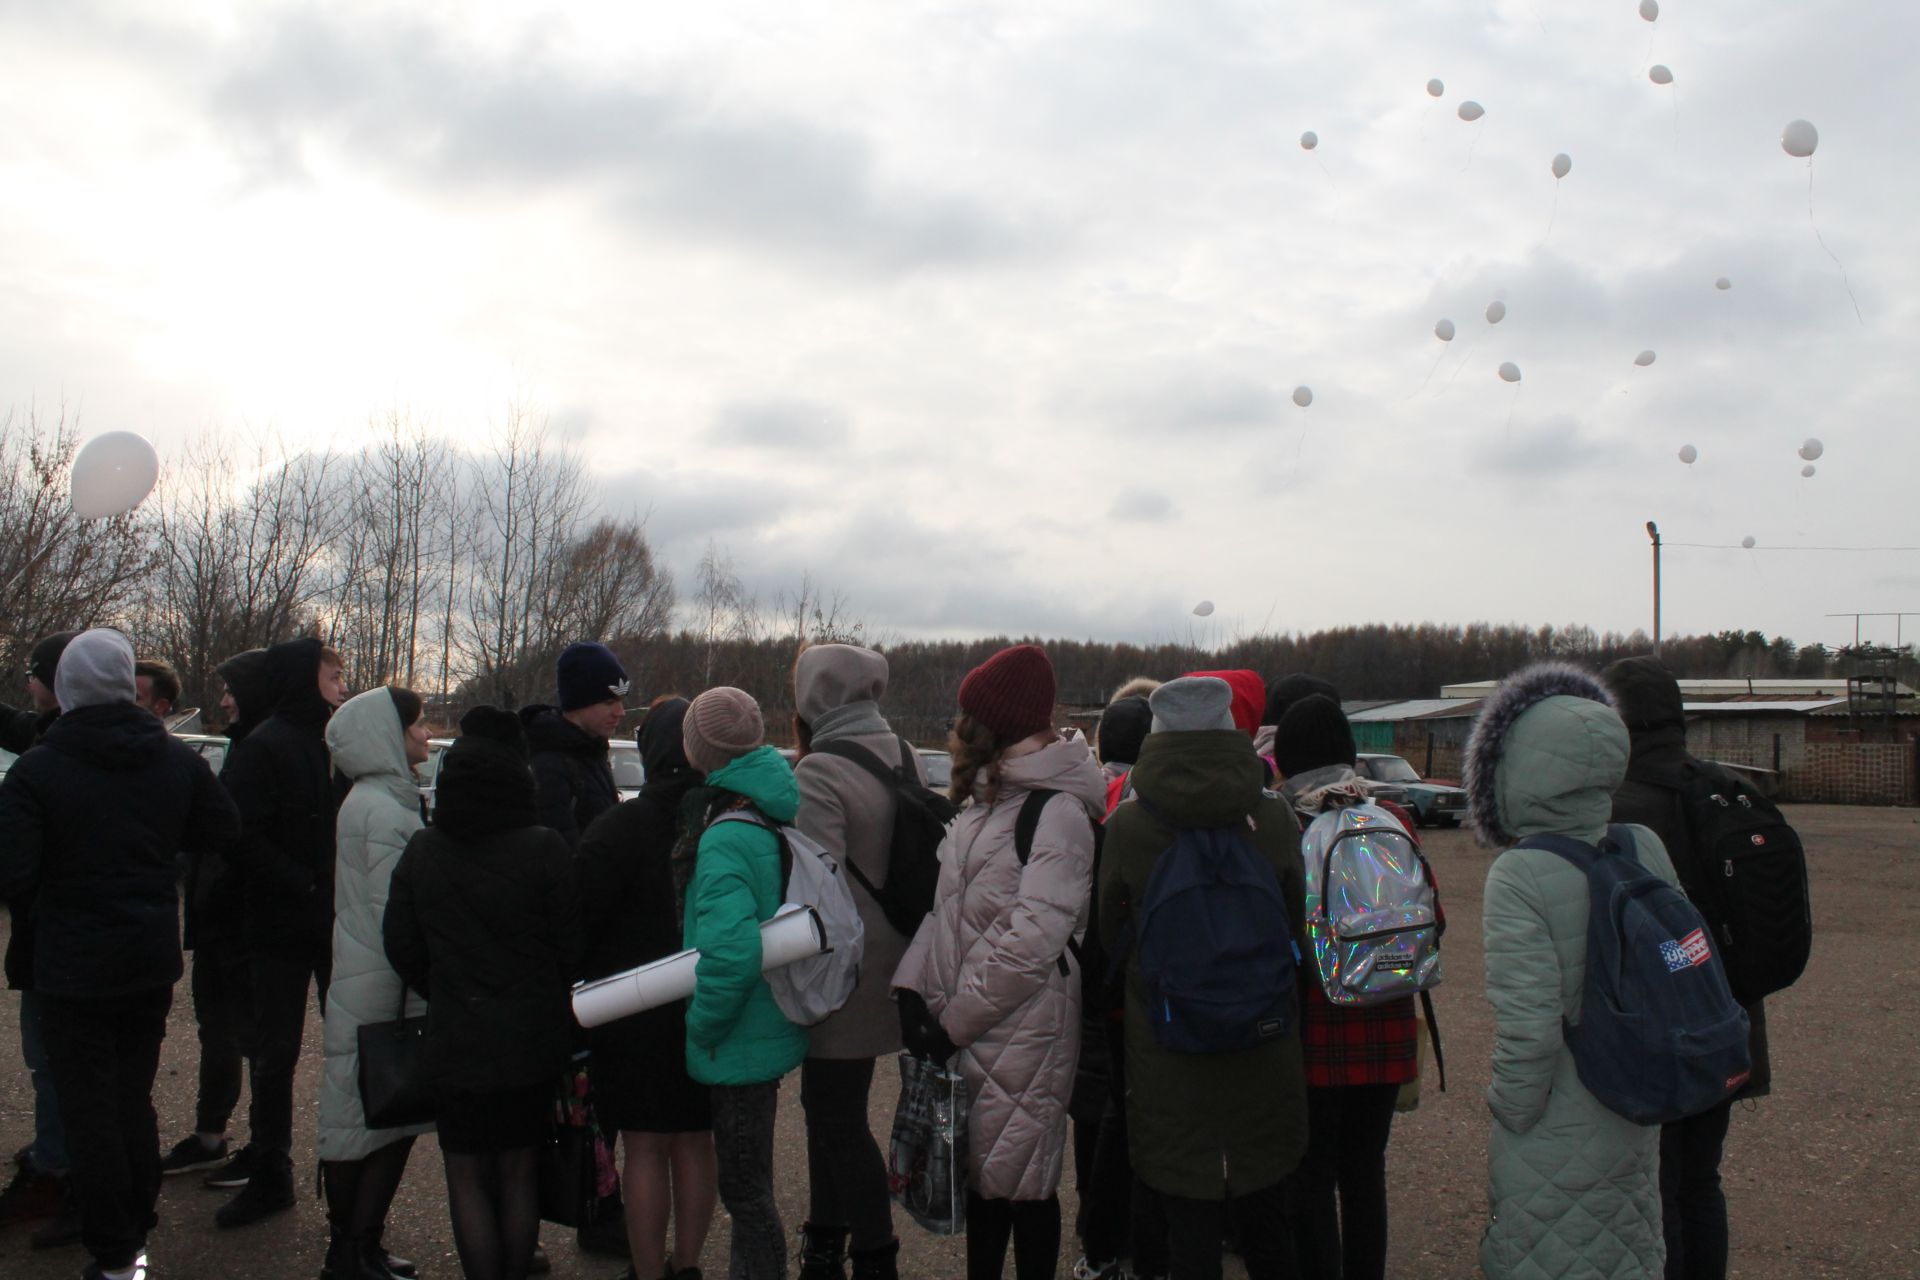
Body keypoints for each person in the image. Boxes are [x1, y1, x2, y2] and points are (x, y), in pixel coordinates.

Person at [0, 628, 241, 1280]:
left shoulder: (40, 769)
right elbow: (221, 828)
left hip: (71, 965)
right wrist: (156, 853)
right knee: (132, 1099)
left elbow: (13, 873)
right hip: (146, 957)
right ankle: (135, 1224)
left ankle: (115, 1249)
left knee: (87, 1109)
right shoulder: (173, 761)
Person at [893, 643, 1102, 1280]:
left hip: (1025, 1029)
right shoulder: (988, 804)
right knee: (984, 1188)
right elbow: (946, 911)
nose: (959, 729)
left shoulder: (1057, 813)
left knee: (1025, 1188)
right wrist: (910, 990)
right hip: (971, 1024)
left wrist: (950, 1023)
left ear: (996, 723)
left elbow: (1032, 942)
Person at [1465, 663, 1678, 1279]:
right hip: (1635, 1103)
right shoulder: (1642, 845)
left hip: (1558, 1115)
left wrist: (1511, 1108)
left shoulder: (1520, 873)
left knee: (1552, 1256)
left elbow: (1531, 1027)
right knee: (1626, 1249)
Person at [1098, 676, 1308, 1280]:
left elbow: (1112, 936)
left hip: (1168, 1044)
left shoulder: (1129, 826)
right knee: (1267, 1219)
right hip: (1263, 1036)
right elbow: (1294, 922)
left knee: (1186, 1225)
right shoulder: (1273, 819)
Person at [385, 707, 583, 1280]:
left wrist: (445, 985)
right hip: (530, 1039)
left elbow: (400, 942)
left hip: (455, 1037)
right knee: (519, 1168)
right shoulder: (545, 848)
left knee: (466, 1173)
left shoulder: (425, 850)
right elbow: (572, 945)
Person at [1603, 656, 1771, 1280]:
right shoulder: (1731, 789)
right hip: (1731, 1021)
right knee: (1701, 1180)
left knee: (1658, 1183)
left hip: (1656, 1033)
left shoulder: (1618, 809)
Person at [1273, 694, 1422, 1280]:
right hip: (1387, 1019)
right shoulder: (1393, 819)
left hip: (1316, 1023)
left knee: (1312, 1176)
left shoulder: (1288, 824)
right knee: (1366, 1172)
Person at [789, 644, 925, 1280]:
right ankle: (824, 1240)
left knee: (837, 1120)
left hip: (843, 976)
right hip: (899, 962)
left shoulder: (819, 771)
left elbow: (819, 891)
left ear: (813, 695)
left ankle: (873, 1256)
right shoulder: (903, 755)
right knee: (834, 1113)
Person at [576, 696, 717, 1280]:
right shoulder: (724, 824)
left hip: (632, 1010)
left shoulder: (619, 827)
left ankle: (647, 1270)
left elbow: (577, 916)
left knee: (644, 1144)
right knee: (695, 1141)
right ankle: (687, 1265)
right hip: (708, 1005)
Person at [213, 636, 350, 1227]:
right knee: (275, 1056)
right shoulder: (266, 746)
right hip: (278, 927)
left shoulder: (338, 745)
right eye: (333, 678)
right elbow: (239, 836)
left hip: (337, 927)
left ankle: (351, 1185)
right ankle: (270, 1172)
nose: (343, 688)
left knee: (350, 1050)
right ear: (302, 680)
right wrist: (306, 883)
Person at [678, 686, 809, 1280]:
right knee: (751, 1185)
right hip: (765, 1024)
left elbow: (731, 954)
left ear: (699, 750)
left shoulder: (726, 831)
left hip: (736, 1038)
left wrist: (701, 1026)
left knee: (747, 1194)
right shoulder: (766, 806)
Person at [317, 687, 436, 1280]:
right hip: (384, 987)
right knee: (375, 1121)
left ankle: (359, 1246)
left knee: (368, 1120)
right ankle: (351, 1251)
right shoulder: (384, 811)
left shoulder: (376, 801)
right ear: (389, 735)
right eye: (416, 725)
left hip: (369, 980)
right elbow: (401, 914)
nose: (427, 734)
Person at [161, 648, 272, 1180]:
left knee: (247, 1037)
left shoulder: (262, 754)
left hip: (239, 923)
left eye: (232, 689)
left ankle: (260, 1147)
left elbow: (242, 843)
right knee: (217, 1032)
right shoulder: (243, 748)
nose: (224, 700)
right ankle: (212, 1133)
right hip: (217, 919)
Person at [0, 629, 80, 1247]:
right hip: (83, 941)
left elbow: (16, 867)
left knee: (54, 1061)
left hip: (57, 940)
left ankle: (59, 1169)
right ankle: (59, 1155)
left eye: (34, 673)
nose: (27, 684)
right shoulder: (55, 740)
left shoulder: (52, 758)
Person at [523, 641, 630, 851]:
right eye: (609, 703)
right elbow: (561, 854)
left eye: (621, 702)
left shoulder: (592, 752)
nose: (620, 712)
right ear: (579, 702)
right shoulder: (548, 766)